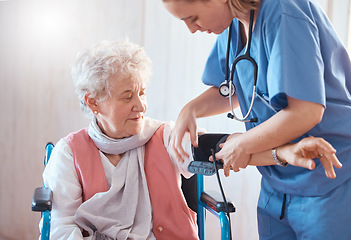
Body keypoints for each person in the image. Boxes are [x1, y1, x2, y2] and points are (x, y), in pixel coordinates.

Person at [161, 0, 351, 239]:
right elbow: (235, 87)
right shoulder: (233, 24)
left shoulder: (284, 12)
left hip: (327, 177)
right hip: (276, 179)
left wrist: (243, 144)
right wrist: (191, 110)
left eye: (193, 18)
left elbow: (307, 111)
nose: (191, 28)